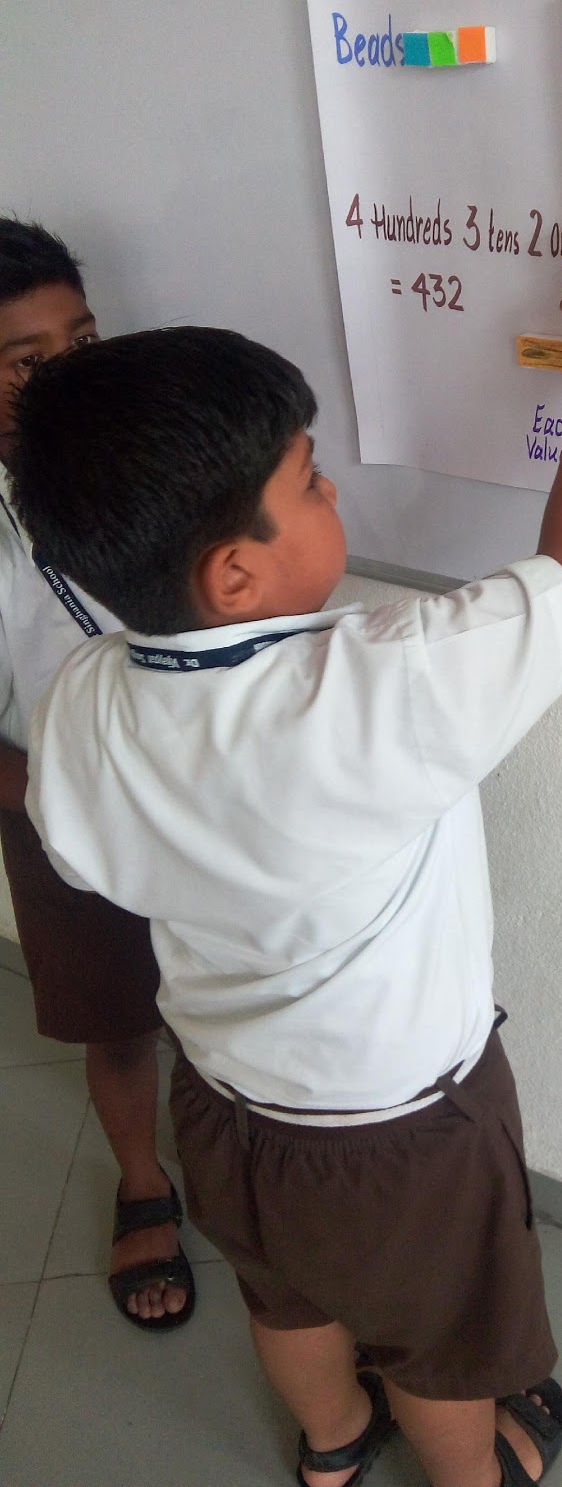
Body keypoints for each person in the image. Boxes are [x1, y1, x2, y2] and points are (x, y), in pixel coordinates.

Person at [12, 267, 562, 1487]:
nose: (335, 491)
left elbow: (80, 851)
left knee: (286, 1294)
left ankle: (330, 1448)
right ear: (234, 574)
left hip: (223, 1104)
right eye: (309, 481)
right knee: (440, 1340)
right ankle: (472, 1474)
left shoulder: (84, 695)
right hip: (402, 1134)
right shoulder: (376, 683)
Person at [0, 218, 195, 1329]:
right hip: (55, 807)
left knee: (230, 993)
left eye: (81, 342)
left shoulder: (145, 457)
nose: (69, 376)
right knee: (118, 1014)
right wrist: (61, 803)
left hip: (199, 785)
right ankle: (142, 1179)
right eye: (26, 363)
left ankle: (241, 1170)